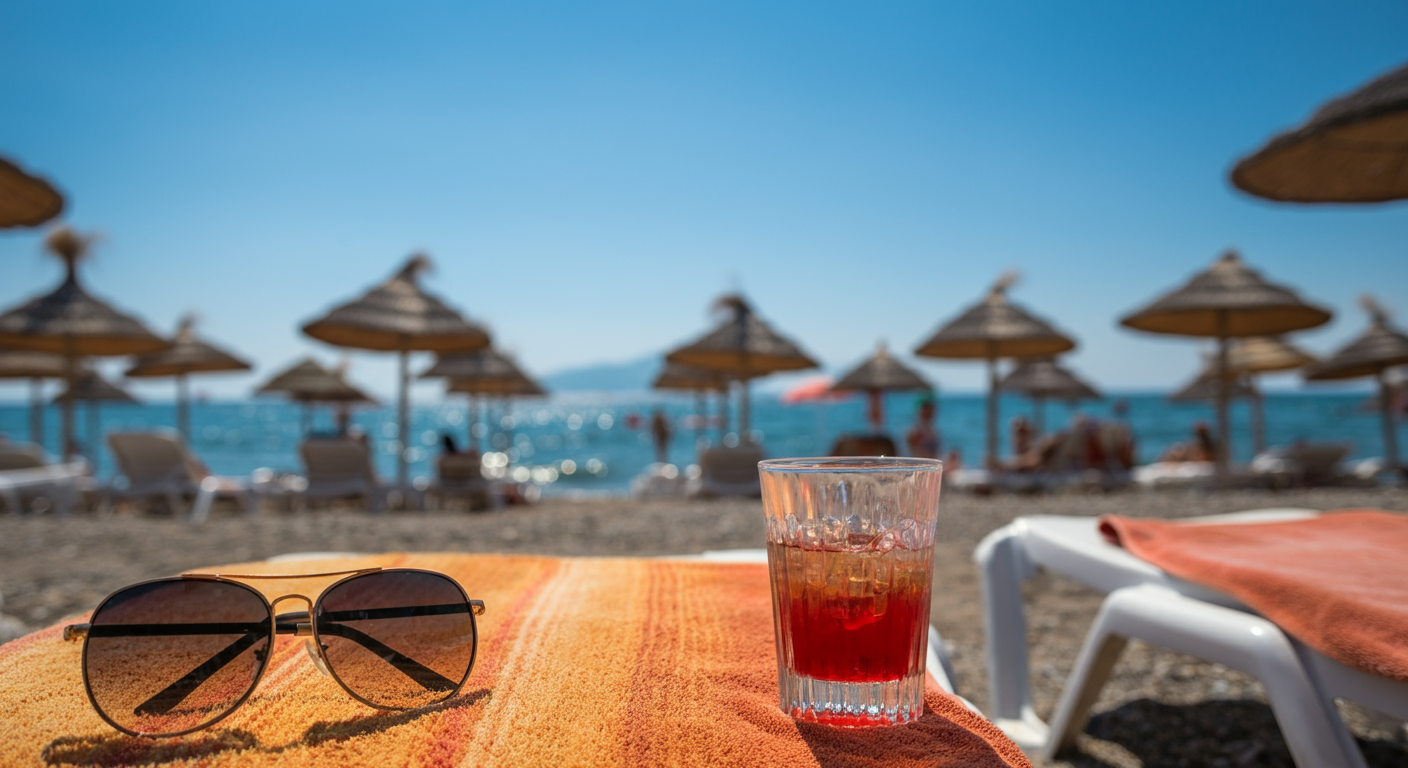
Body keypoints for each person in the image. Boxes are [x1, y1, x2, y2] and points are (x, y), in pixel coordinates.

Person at [905, 395, 941, 459]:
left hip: (928, 461)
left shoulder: (931, 429)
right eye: (928, 410)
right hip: (921, 462)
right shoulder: (915, 430)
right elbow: (915, 451)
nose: (930, 413)